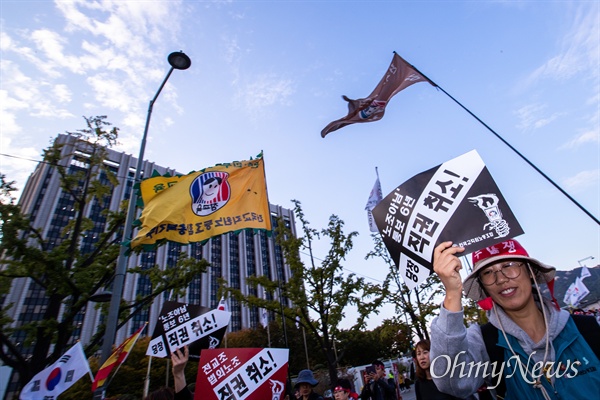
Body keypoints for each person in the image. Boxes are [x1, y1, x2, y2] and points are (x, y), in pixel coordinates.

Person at [430, 239, 600, 400]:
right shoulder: (485, 342)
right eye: (488, 272)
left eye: (508, 265)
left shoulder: (587, 329)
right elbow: (452, 382)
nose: (501, 279)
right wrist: (452, 294)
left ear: (530, 272)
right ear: (483, 287)